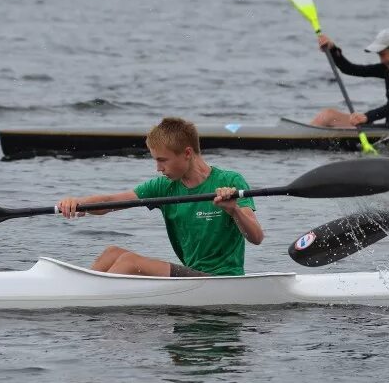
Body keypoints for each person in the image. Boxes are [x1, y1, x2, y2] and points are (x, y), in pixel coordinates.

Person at [57, 117, 264, 277]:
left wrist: (233, 209)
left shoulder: (230, 181)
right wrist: (79, 203)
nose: (158, 168)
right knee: (111, 253)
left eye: (162, 160)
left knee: (130, 262)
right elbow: (110, 202)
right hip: (192, 275)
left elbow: (256, 237)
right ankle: (79, 297)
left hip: (220, 279)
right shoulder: (164, 186)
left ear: (187, 153)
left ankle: (93, 303)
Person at [311, 28, 389, 129]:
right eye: (380, 55)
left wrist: (367, 116)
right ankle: (302, 136)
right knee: (328, 115)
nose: (382, 60)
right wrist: (333, 49)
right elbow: (351, 69)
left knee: (331, 117)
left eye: (383, 54)